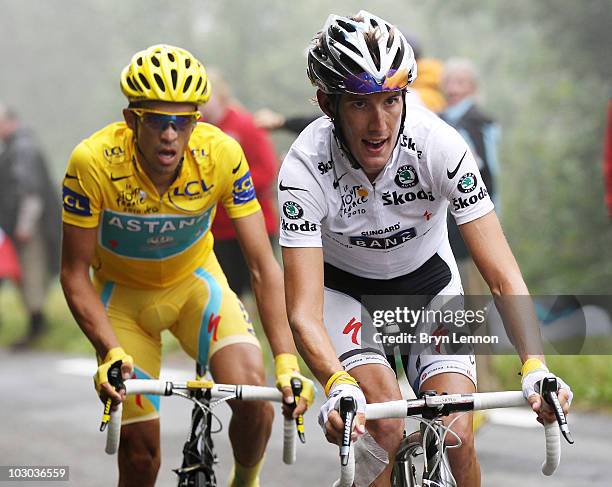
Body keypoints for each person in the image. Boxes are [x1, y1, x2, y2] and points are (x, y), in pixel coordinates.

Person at [278, 11, 572, 487]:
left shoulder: (438, 144)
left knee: (457, 433)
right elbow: (304, 312)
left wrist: (535, 366)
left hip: (429, 285)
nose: (379, 123)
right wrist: (336, 384)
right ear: (327, 104)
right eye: (359, 104)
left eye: (391, 100)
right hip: (347, 297)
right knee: (381, 426)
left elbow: (501, 274)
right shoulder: (303, 168)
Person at [60, 44, 313, 487]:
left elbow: (262, 266)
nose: (171, 135)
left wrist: (287, 362)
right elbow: (73, 272)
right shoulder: (92, 162)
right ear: (131, 119)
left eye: (184, 121)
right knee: (141, 459)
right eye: (158, 120)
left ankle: (244, 481)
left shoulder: (220, 154)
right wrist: (107, 348)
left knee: (254, 398)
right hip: (122, 302)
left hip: (196, 285)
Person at [198, 69, 279, 298]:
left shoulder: (245, 125)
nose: (201, 104)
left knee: (258, 287)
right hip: (214, 230)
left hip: (253, 223)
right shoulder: (195, 129)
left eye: (206, 96)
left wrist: (225, 185)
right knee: (223, 293)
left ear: (220, 95)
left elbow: (266, 171)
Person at [0, 104, 60, 349]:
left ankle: (37, 328)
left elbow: (30, 192)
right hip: (21, 225)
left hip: (31, 226)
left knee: (31, 275)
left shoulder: (22, 149)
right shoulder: (16, 147)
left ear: (9, 122)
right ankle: (35, 327)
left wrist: (24, 226)